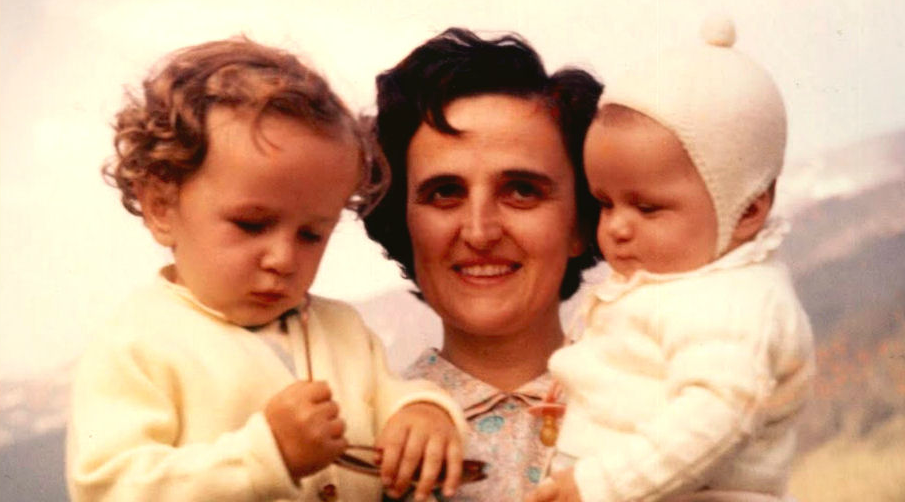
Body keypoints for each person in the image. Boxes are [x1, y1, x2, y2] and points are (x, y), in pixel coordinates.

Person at [66, 37, 467, 502]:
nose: (283, 259)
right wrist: (267, 455)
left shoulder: (342, 331)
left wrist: (422, 412)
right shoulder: (137, 346)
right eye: (251, 224)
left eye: (312, 235)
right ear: (160, 205)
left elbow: (390, 397)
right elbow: (111, 487)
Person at [527, 15, 815, 502]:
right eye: (604, 202)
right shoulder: (680, 282)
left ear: (746, 209)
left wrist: (601, 485)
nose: (616, 226)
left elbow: (718, 415)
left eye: (646, 207)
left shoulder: (737, 301)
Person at [363, 28, 603, 501]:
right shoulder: (362, 432)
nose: (480, 232)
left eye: (521, 190)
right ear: (403, 225)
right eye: (445, 193)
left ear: (580, 221)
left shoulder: (664, 412)